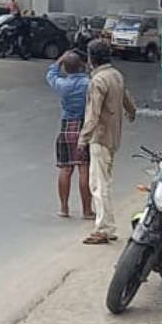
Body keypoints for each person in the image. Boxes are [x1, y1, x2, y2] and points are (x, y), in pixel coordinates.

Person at [78, 40, 137, 245]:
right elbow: (126, 98)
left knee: (98, 184)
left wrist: (82, 138)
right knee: (106, 181)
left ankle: (103, 228)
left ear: (91, 58)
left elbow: (92, 115)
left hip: (100, 137)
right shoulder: (116, 75)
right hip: (114, 136)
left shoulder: (98, 80)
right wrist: (132, 111)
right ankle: (108, 226)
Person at [47, 51, 94, 220]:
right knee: (84, 168)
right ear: (82, 65)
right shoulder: (89, 84)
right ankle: (87, 210)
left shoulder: (62, 84)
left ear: (66, 68)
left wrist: (60, 60)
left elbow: (51, 74)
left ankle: (64, 207)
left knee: (66, 168)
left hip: (67, 124)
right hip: (84, 125)